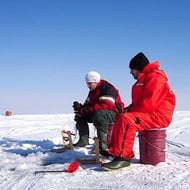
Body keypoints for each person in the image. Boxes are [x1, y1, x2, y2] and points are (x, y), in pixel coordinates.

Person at [101, 52, 176, 171]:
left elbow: (150, 103)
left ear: (139, 68)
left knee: (127, 120)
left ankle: (123, 158)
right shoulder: (143, 79)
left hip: (158, 115)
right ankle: (115, 151)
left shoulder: (155, 77)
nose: (130, 72)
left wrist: (130, 112)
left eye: (132, 69)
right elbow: (139, 104)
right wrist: (128, 109)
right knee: (120, 116)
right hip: (148, 113)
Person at [72, 71, 124, 153]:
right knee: (80, 115)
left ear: (96, 81)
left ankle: (102, 144)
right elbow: (89, 104)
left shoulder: (107, 88)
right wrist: (81, 109)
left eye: (90, 83)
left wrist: (88, 110)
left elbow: (106, 105)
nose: (88, 86)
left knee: (99, 114)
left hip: (114, 113)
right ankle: (83, 141)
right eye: (87, 83)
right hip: (100, 112)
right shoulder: (92, 91)